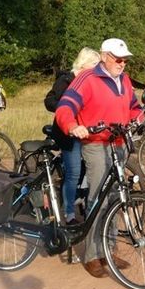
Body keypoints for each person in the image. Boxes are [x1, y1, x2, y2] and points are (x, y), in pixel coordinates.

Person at [55, 38, 143, 278]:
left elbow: (134, 105)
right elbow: (65, 106)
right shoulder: (87, 78)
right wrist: (73, 126)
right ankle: (92, 255)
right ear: (104, 56)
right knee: (98, 199)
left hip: (119, 144)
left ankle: (109, 249)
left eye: (125, 59)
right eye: (118, 58)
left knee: (116, 198)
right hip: (96, 145)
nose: (122, 63)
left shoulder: (124, 80)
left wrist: (139, 117)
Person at [44, 47, 101, 224]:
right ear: (84, 64)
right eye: (94, 65)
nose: (97, 69)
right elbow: (49, 101)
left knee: (89, 169)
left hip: (87, 131)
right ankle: (69, 213)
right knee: (74, 172)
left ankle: (83, 199)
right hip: (68, 133)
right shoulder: (66, 79)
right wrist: (68, 107)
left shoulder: (92, 81)